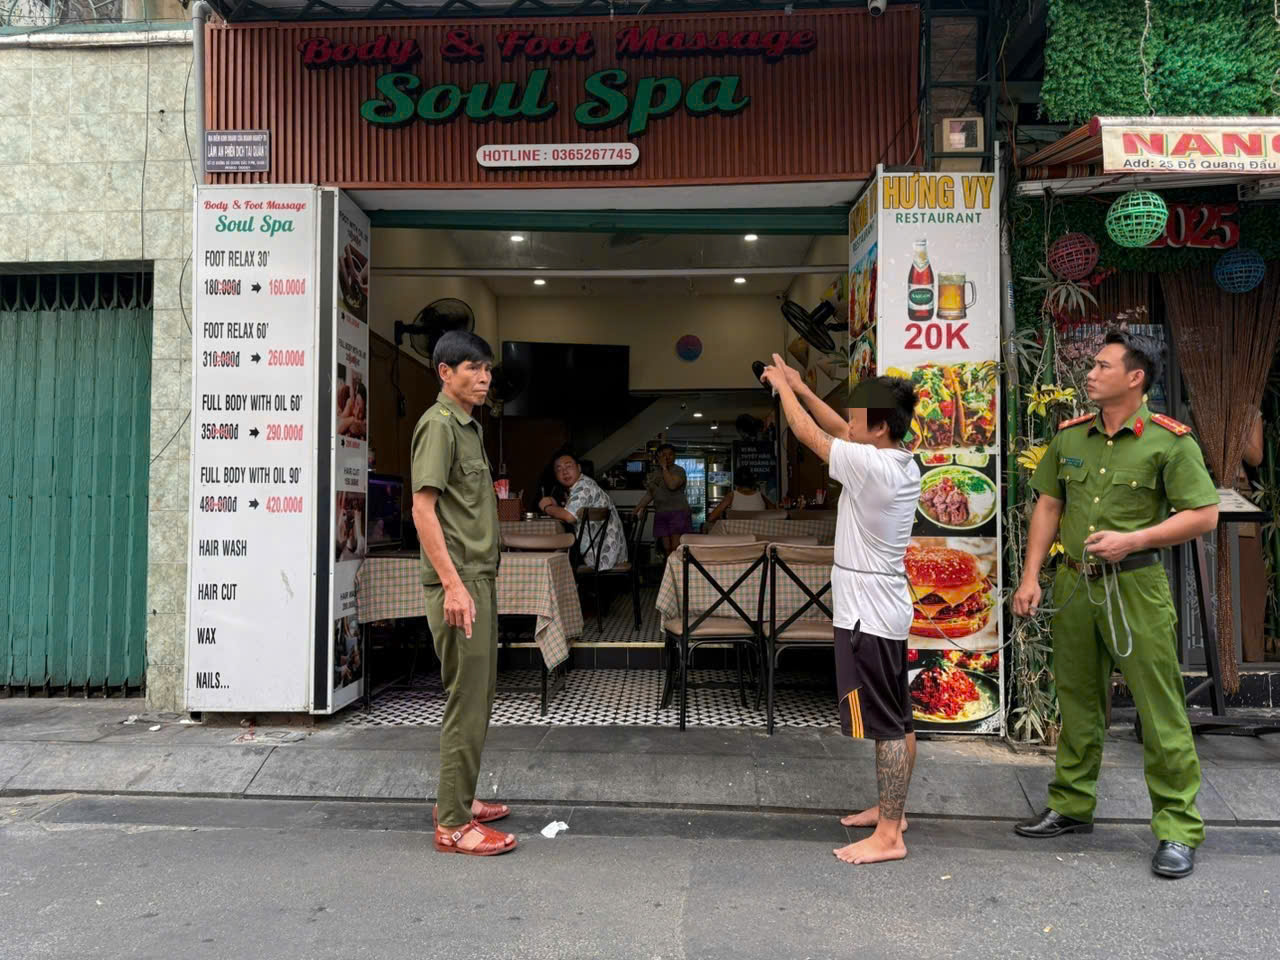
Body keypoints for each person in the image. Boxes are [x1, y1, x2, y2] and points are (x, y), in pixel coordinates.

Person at [1012, 331, 1219, 880]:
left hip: (1135, 588)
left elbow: (1203, 514)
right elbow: (1049, 505)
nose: (1090, 372)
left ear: (1136, 378)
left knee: (1160, 709)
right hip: (1075, 585)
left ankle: (1177, 828)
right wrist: (1031, 576)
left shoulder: (1170, 441)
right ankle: (1072, 805)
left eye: (1102, 365)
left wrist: (1135, 538)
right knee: (1076, 699)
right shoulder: (1070, 437)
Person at [759, 355, 922, 866]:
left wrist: (784, 387)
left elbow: (810, 435)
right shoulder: (895, 457)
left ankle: (890, 836)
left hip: (867, 616)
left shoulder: (872, 466)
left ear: (877, 427)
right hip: (886, 608)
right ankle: (892, 811)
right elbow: (833, 427)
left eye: (857, 416)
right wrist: (805, 388)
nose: (848, 421)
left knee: (887, 725)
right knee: (900, 717)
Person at [410, 329, 517, 858]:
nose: (484, 378)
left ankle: (461, 798)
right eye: (473, 368)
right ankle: (452, 824)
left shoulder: (469, 429)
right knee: (466, 702)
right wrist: (453, 585)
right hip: (460, 584)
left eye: (488, 370)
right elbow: (422, 509)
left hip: (478, 580)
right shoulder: (439, 426)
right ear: (444, 372)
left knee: (481, 696)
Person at [539, 452, 628, 570]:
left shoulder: (583, 487)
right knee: (562, 547)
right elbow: (571, 513)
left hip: (600, 556)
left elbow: (570, 517)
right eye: (559, 469)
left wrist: (547, 507)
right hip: (612, 552)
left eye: (568, 466)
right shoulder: (586, 483)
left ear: (579, 467)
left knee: (556, 553)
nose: (564, 472)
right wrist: (557, 508)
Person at [633, 443, 691, 556]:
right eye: (664, 455)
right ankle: (668, 570)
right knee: (667, 548)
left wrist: (664, 467)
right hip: (661, 512)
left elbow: (672, 485)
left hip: (678, 512)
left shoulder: (679, 470)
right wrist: (636, 510)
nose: (667, 457)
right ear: (659, 457)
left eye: (670, 454)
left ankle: (677, 572)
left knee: (675, 547)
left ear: (675, 456)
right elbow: (650, 495)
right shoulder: (655, 474)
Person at [705, 466, 775, 525]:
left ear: (735, 481)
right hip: (758, 535)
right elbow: (775, 512)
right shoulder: (760, 495)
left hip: (737, 537)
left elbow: (711, 518)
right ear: (752, 481)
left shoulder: (732, 495)